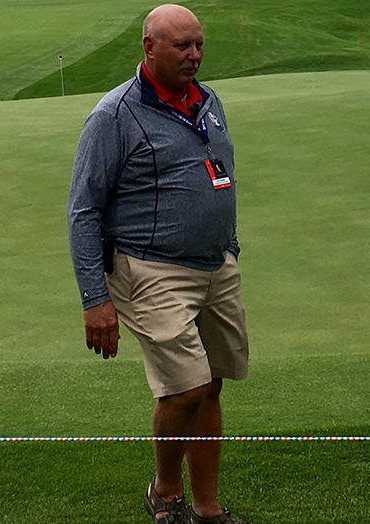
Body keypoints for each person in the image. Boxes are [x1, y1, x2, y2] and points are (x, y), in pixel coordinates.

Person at [67, 5, 249, 523]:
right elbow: (83, 209)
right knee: (186, 387)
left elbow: (221, 171)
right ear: (148, 48)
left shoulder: (208, 99)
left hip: (216, 265)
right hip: (148, 268)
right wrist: (94, 299)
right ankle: (166, 492)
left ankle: (209, 508)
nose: (194, 55)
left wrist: (229, 245)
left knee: (212, 384)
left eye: (199, 45)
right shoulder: (114, 115)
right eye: (181, 46)